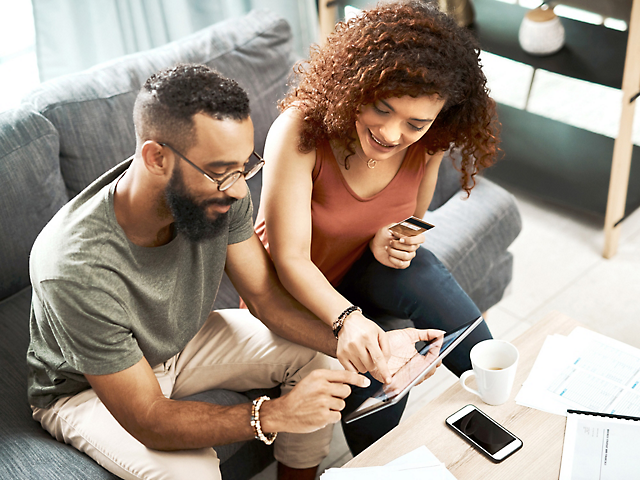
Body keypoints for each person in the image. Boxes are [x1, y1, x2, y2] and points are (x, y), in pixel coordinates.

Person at [26, 64, 440, 480]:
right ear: (156, 158)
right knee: (192, 474)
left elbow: (266, 299)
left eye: (246, 167)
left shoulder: (223, 188)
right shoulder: (73, 267)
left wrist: (375, 347)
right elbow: (148, 417)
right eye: (223, 172)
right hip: (86, 387)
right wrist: (274, 414)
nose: (242, 189)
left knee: (320, 354)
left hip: (180, 341)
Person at [255, 0, 500, 455]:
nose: (391, 134)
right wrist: (349, 321)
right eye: (382, 108)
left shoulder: (428, 142)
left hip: (361, 273)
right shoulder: (301, 130)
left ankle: (504, 400)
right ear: (356, 85)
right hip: (298, 294)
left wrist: (390, 238)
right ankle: (381, 460)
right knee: (375, 364)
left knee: (420, 270)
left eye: (415, 122)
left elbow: (412, 217)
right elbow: (288, 259)